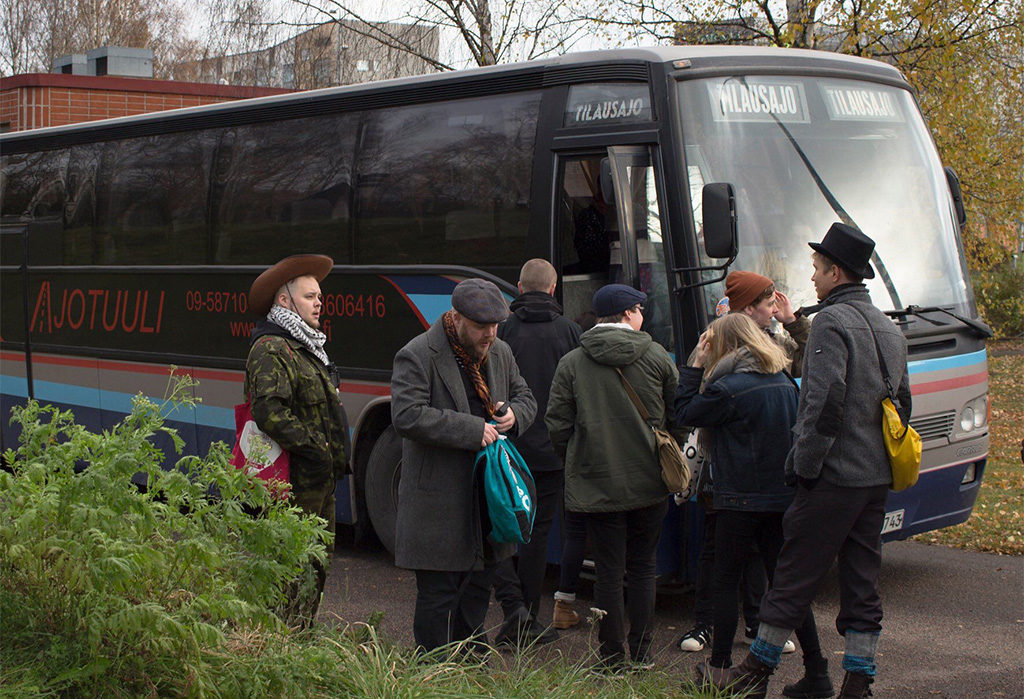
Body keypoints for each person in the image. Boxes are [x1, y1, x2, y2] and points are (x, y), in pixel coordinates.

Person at [716, 223, 911, 699]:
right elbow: (902, 403)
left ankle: (753, 673)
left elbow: (824, 404)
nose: (814, 277)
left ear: (836, 272)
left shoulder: (830, 322)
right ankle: (858, 682)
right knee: (862, 581)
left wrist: (803, 466)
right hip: (875, 476)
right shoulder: (887, 326)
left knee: (792, 576)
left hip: (832, 475)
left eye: (818, 269)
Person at [674, 314, 826, 694]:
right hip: (781, 497)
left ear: (724, 345)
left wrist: (694, 366)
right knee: (786, 586)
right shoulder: (783, 381)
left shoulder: (727, 388)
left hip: (738, 499)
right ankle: (817, 669)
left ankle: (721, 667)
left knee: (727, 581)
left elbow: (684, 412)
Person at [390, 278, 537, 653]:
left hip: (488, 498)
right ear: (455, 318)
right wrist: (472, 430)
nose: (490, 334)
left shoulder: (500, 351)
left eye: (495, 325)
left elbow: (525, 395)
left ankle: (470, 663)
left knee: (478, 588)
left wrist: (513, 416)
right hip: (439, 501)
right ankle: (432, 670)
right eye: (481, 326)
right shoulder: (418, 353)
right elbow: (406, 416)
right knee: (438, 595)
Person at [546, 284, 679, 672]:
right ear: (628, 314)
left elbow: (557, 425)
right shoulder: (656, 356)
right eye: (639, 309)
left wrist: (578, 457)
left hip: (596, 484)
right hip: (649, 483)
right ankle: (641, 654)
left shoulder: (572, 362)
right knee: (641, 568)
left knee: (608, 572)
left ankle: (610, 658)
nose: (643, 316)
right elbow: (677, 413)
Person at [245, 254, 349, 626]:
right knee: (289, 572)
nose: (319, 302)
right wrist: (318, 448)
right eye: (309, 296)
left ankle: (300, 642)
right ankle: (279, 645)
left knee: (314, 568)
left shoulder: (307, 346)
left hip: (317, 483)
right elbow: (269, 412)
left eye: (319, 296)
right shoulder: (272, 348)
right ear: (284, 301)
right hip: (290, 487)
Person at [491, 259, 582, 647]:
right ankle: (527, 615)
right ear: (553, 288)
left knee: (500, 528)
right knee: (536, 535)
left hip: (507, 448)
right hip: (550, 453)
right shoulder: (570, 331)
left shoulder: (503, 330)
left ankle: (511, 609)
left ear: (518, 286)